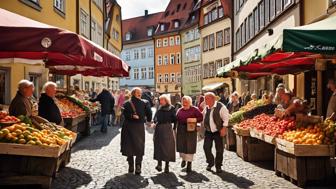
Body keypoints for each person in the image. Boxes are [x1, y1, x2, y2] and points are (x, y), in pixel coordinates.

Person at [121, 87, 152, 175]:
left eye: (140, 92)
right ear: (134, 93)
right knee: (139, 146)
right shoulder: (145, 103)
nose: (140, 94)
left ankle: (131, 165)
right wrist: (148, 120)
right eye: (138, 92)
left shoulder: (126, 103)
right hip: (138, 127)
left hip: (128, 126)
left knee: (128, 145)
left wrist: (131, 116)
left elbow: (124, 114)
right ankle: (137, 166)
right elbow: (149, 114)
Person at [203, 92, 230, 173]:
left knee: (219, 149)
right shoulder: (206, 107)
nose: (205, 100)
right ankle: (210, 162)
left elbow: (226, 118)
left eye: (206, 99)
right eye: (205, 98)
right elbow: (204, 117)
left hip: (218, 131)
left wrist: (224, 128)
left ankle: (218, 166)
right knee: (206, 147)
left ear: (213, 99)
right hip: (208, 131)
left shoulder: (221, 107)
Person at [176, 96, 203, 172]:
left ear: (190, 102)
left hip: (191, 129)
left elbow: (201, 118)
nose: (184, 103)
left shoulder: (194, 109)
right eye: (183, 102)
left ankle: (189, 164)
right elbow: (176, 119)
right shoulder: (179, 110)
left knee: (190, 147)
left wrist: (193, 120)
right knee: (182, 146)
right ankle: (184, 159)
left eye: (186, 102)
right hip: (181, 129)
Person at [153, 94, 177, 173]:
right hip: (159, 128)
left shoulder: (172, 108)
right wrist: (154, 122)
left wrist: (174, 128)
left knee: (168, 147)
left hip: (167, 128)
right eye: (160, 100)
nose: (160, 101)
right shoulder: (159, 107)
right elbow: (155, 117)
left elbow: (175, 119)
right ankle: (159, 164)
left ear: (166, 100)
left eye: (162, 100)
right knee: (158, 145)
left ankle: (167, 165)